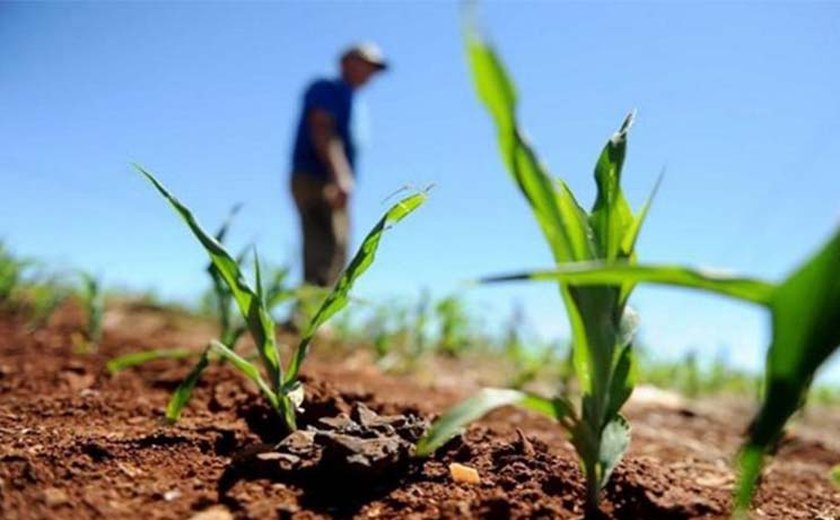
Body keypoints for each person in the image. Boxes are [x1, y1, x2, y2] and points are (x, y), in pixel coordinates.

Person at [289, 43, 388, 289]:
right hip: (317, 178)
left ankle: (316, 314)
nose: (370, 73)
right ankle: (311, 316)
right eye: (366, 64)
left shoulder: (353, 102)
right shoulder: (327, 89)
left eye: (374, 69)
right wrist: (340, 176)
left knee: (337, 245)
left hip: (330, 179)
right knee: (324, 245)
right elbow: (322, 130)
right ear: (346, 62)